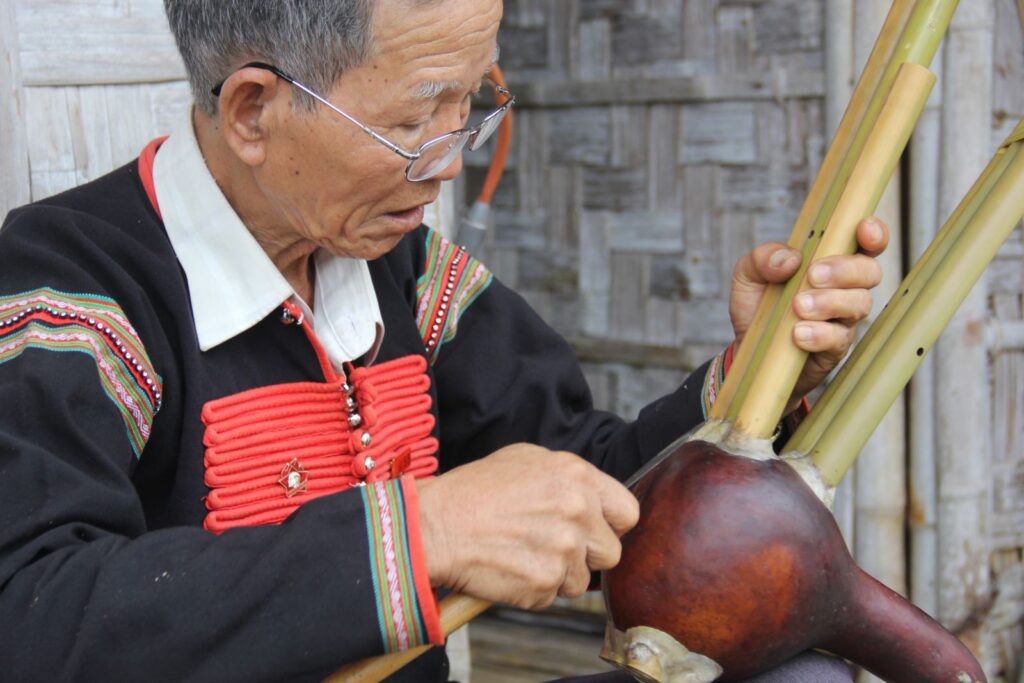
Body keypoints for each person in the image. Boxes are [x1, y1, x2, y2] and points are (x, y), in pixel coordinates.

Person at [0, 1, 887, 681]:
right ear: (252, 112)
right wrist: (422, 533)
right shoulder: (72, 291)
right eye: (415, 119)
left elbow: (596, 478)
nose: (452, 158)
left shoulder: (404, 271)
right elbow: (34, 611)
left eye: (473, 103)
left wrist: (759, 372)